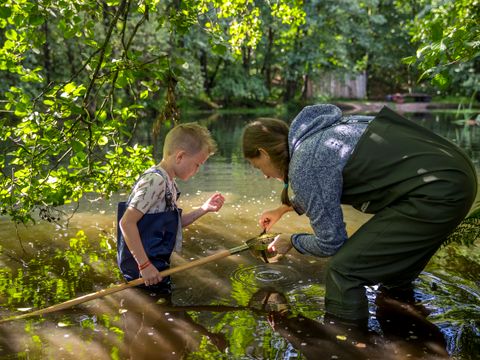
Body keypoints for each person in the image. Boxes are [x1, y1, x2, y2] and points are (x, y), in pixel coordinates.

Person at [242, 104, 478, 326]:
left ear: (263, 153)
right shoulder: (321, 137)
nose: (263, 174)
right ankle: (406, 336)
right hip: (455, 175)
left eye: (257, 166)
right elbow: (325, 186)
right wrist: (283, 209)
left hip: (436, 192)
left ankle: (348, 343)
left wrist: (291, 241)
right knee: (394, 275)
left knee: (344, 272)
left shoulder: (305, 162)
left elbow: (331, 244)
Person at [118, 122, 225, 292]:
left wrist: (204, 209)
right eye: (197, 164)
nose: (197, 170)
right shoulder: (155, 181)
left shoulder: (168, 182)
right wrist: (144, 265)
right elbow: (126, 223)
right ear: (180, 156)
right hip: (142, 271)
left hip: (155, 265)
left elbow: (171, 223)